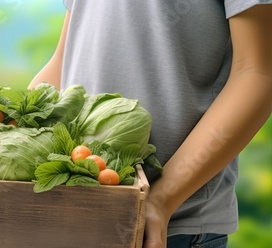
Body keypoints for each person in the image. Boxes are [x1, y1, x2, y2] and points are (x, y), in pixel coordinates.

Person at [28, 1, 271, 247]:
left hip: (166, 229)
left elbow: (257, 73)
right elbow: (65, 58)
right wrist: (14, 125)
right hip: (68, 212)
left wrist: (160, 201)